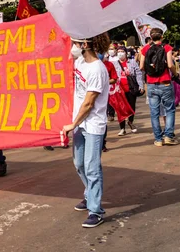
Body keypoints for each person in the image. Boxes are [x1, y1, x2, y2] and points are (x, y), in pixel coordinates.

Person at [63, 33, 110, 229]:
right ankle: (89, 194)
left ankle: (96, 210)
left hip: (93, 124)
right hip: (80, 123)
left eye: (75, 42)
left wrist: (72, 124)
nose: (72, 45)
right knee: (79, 164)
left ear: (84, 44)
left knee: (92, 167)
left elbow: (89, 102)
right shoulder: (80, 61)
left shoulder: (98, 69)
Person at [139, 28, 178, 147]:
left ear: (150, 37)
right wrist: (175, 74)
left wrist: (151, 71)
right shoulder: (167, 47)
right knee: (169, 110)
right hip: (165, 82)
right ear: (162, 37)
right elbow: (170, 65)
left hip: (151, 84)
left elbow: (141, 66)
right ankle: (168, 136)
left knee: (154, 112)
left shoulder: (145, 49)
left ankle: (158, 139)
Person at [113, 45, 144, 136]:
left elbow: (138, 74)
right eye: (118, 52)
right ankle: (122, 128)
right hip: (119, 90)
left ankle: (130, 122)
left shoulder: (133, 62)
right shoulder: (114, 64)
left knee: (131, 107)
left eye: (122, 51)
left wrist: (141, 86)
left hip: (131, 89)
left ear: (126, 53)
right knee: (121, 109)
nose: (120, 53)